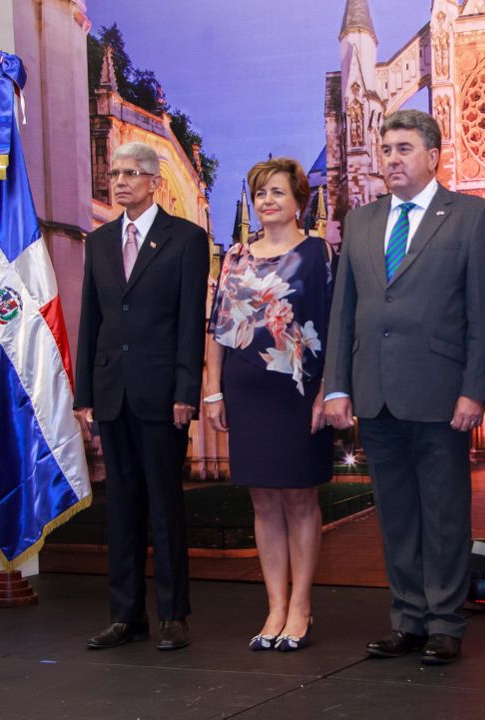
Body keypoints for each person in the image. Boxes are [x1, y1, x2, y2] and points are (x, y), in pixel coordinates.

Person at [324, 108, 485, 665]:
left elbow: (484, 311)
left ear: (433, 155)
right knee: (397, 513)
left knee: (445, 513)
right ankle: (407, 620)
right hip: (374, 392)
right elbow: (343, 312)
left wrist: (476, 390)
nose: (391, 158)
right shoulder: (361, 221)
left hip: (442, 393)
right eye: (386, 149)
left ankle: (446, 623)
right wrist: (336, 387)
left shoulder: (471, 216)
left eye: (403, 148)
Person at [75, 142, 209, 651]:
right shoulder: (100, 241)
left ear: (155, 182)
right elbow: (92, 319)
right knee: (121, 508)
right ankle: (125, 615)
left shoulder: (186, 239)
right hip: (111, 392)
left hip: (161, 394)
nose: (121, 181)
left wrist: (185, 391)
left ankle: (174, 615)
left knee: (164, 505)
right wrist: (85, 392)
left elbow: (189, 323)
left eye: (132, 173)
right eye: (115, 172)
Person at [204, 158, 334, 652]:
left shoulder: (318, 252)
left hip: (299, 390)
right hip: (247, 390)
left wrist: (331, 389)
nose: (267, 201)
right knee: (262, 499)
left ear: (299, 199)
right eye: (261, 193)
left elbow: (335, 323)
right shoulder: (236, 255)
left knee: (300, 497)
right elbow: (219, 327)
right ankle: (275, 605)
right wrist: (213, 389)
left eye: (278, 192)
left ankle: (301, 605)